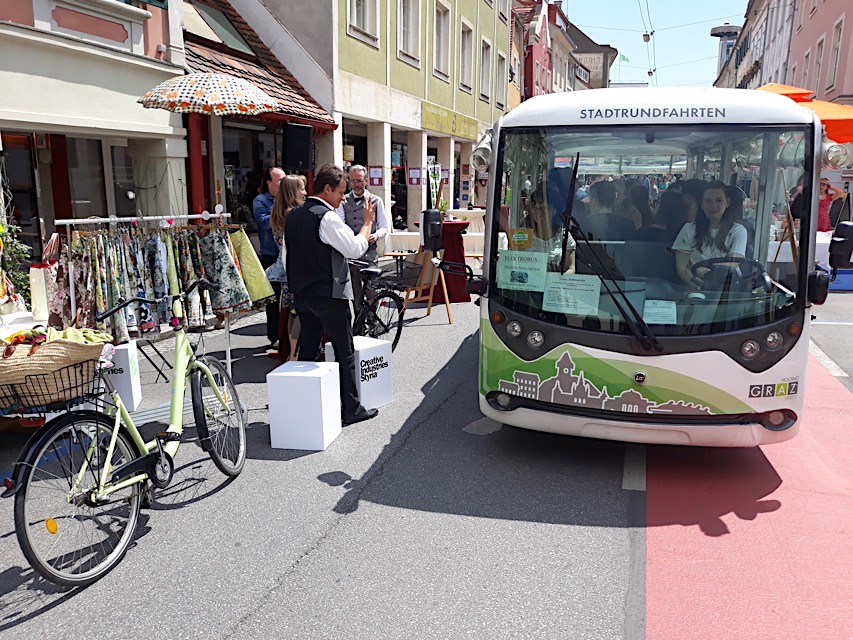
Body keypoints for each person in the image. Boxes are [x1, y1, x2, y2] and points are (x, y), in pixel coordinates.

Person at [285, 164, 378, 426]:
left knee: (308, 350)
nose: (343, 198)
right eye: (340, 192)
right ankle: (351, 409)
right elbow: (354, 248)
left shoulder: (294, 215)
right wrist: (367, 223)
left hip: (303, 294)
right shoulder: (326, 217)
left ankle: (304, 408)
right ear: (327, 189)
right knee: (344, 351)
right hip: (329, 294)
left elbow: (287, 256)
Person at [672, 181, 748, 288]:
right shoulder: (688, 229)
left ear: (727, 202)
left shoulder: (739, 231)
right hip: (695, 287)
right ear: (702, 205)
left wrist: (709, 272)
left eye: (719, 200)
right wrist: (700, 287)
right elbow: (682, 268)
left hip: (729, 287)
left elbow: (734, 262)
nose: (714, 206)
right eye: (708, 201)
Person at [337, 165, 389, 312]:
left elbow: (384, 227)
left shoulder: (376, 200)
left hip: (369, 252)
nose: (357, 185)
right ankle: (359, 319)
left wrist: (376, 235)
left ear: (366, 180)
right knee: (355, 290)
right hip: (352, 252)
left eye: (359, 181)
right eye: (353, 181)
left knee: (371, 289)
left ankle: (372, 318)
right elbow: (340, 223)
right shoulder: (343, 201)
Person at [269, 174, 307, 360]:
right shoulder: (294, 214)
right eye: (301, 189)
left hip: (285, 269)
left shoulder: (277, 212)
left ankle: (290, 352)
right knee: (298, 312)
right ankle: (293, 354)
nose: (305, 193)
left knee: (290, 311)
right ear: (292, 192)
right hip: (297, 269)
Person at [253, 166, 286, 346]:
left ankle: (288, 335)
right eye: (280, 180)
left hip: (289, 253)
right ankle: (274, 337)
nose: (283, 183)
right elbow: (263, 222)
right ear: (269, 183)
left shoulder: (287, 197)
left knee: (288, 298)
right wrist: (282, 212)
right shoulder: (261, 201)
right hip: (271, 253)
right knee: (273, 298)